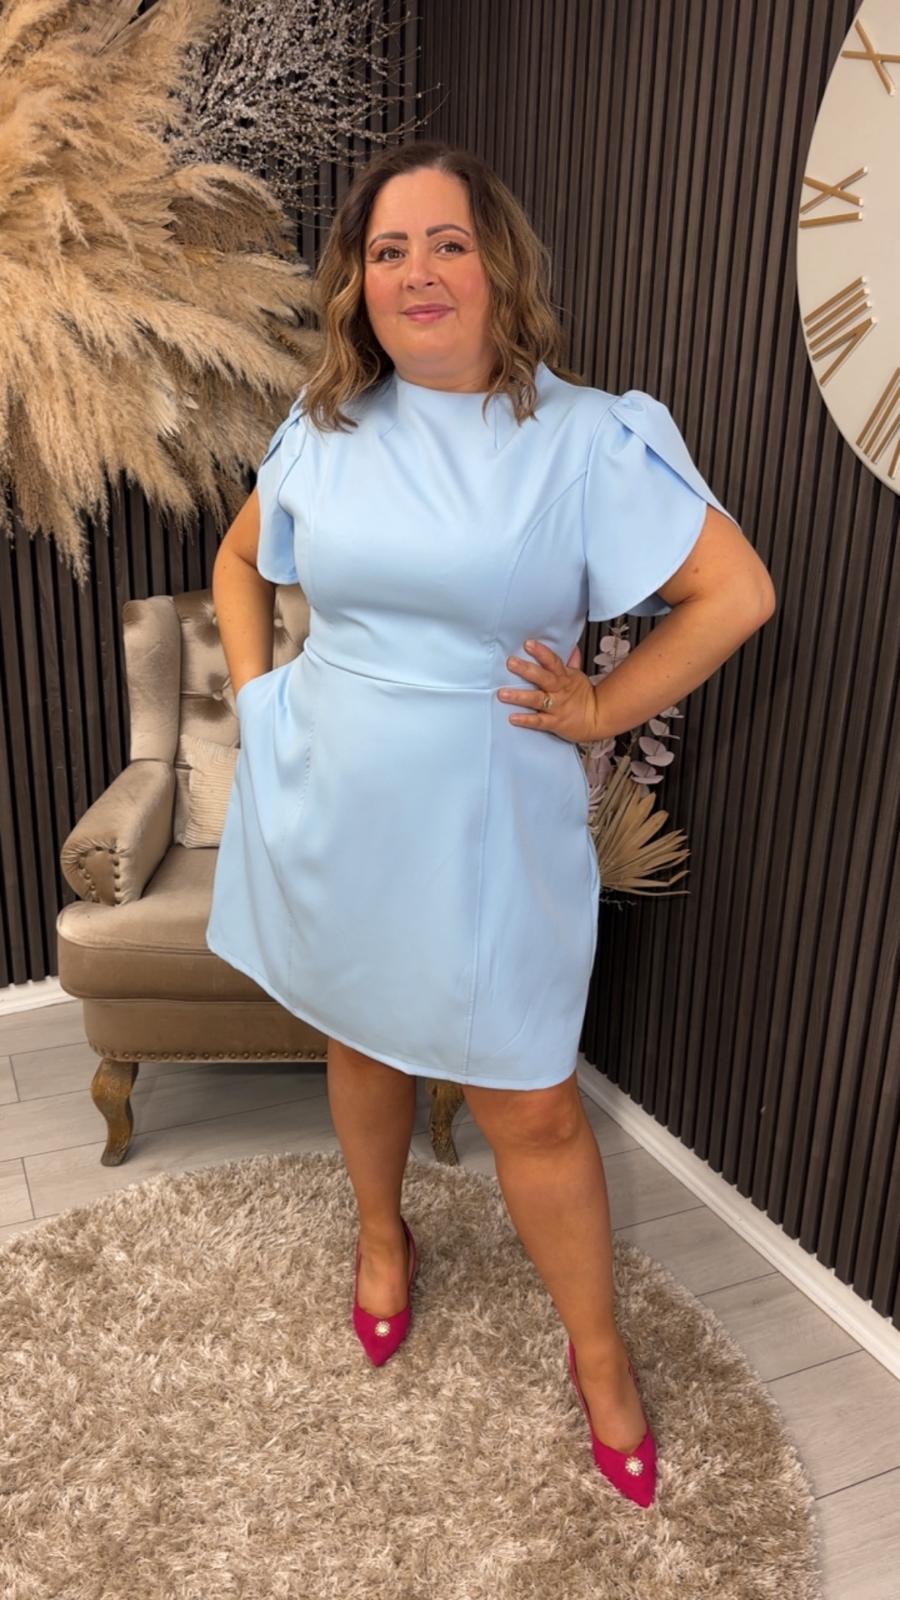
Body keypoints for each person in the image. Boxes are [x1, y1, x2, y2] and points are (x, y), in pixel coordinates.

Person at [206, 140, 776, 1508]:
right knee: (360, 1035)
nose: (418, 271)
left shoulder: (583, 438)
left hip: (489, 826)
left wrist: (602, 707)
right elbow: (239, 558)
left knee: (532, 1101)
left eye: (446, 242)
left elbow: (737, 593)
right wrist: (260, 698)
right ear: (360, 283)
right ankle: (382, 1237)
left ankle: (601, 1357)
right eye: (388, 249)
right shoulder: (326, 426)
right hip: (337, 795)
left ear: (496, 263)